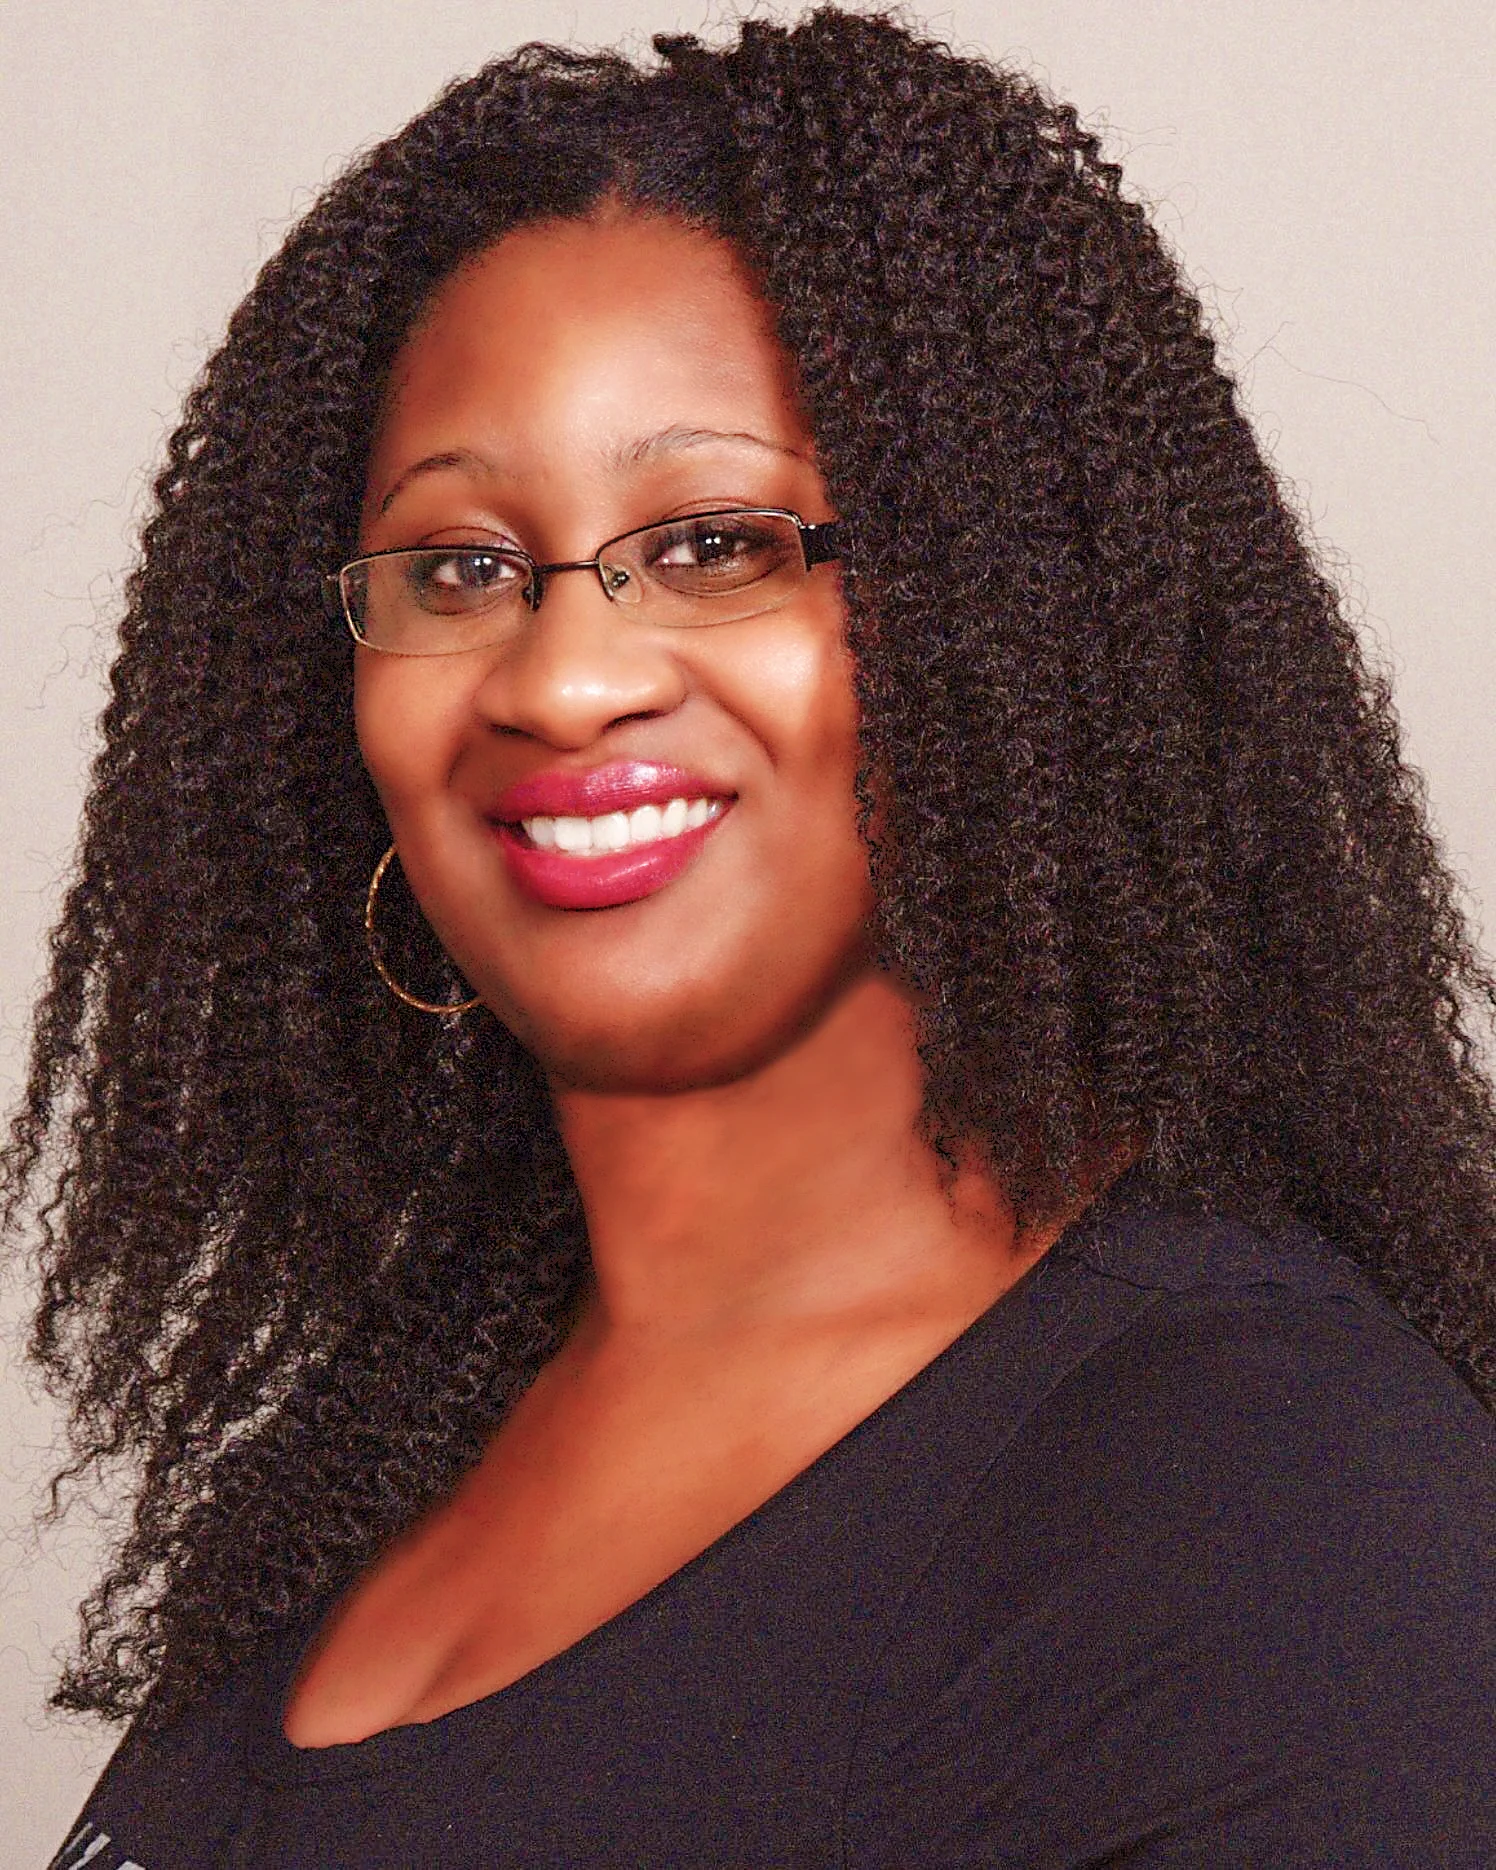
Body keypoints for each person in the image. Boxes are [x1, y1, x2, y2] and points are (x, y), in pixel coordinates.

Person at [9, 9, 1494, 1866]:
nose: (563, 679)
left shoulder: (1260, 1511)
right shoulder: (413, 1423)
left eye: (717, 543)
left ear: (1003, 610)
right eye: (460, 567)